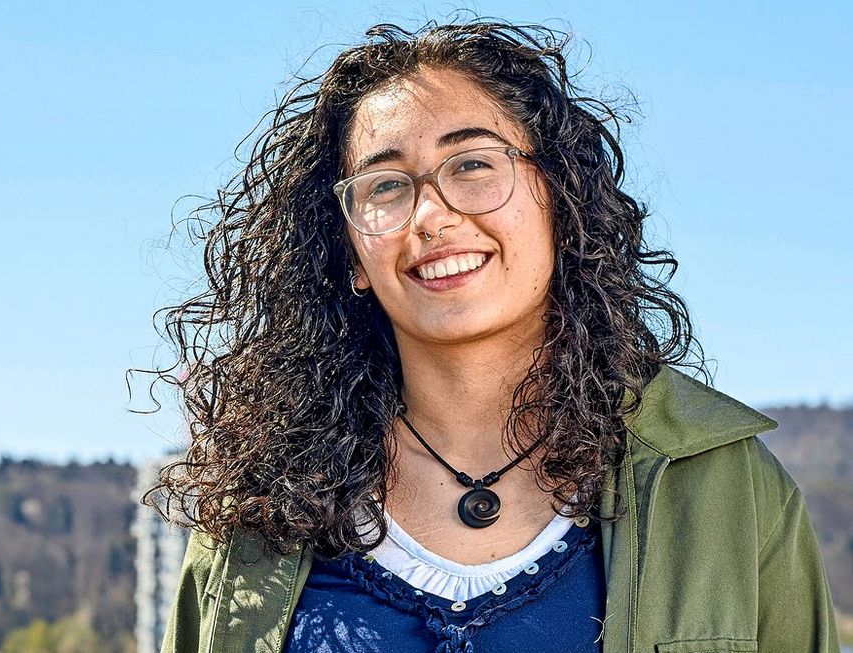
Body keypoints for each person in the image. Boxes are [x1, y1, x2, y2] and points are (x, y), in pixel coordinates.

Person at [150, 19, 839, 653]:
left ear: (560, 199)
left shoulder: (727, 487)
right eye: (385, 186)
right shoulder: (261, 509)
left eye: (473, 164)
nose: (431, 215)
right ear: (353, 254)